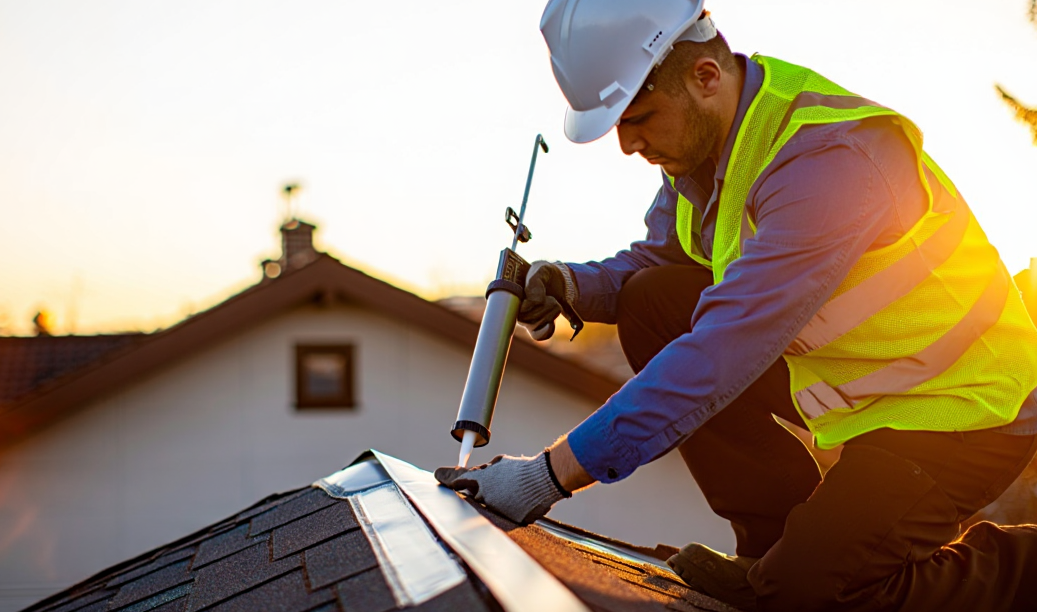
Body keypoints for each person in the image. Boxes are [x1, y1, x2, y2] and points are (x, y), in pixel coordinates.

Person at [435, 1, 1037, 611]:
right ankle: (769, 549)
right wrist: (567, 283)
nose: (626, 143)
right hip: (871, 383)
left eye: (638, 116)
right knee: (651, 305)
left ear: (704, 76)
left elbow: (722, 350)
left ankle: (1021, 571)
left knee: (808, 593)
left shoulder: (829, 164)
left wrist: (549, 475)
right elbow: (654, 269)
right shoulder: (701, 152)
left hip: (966, 409)